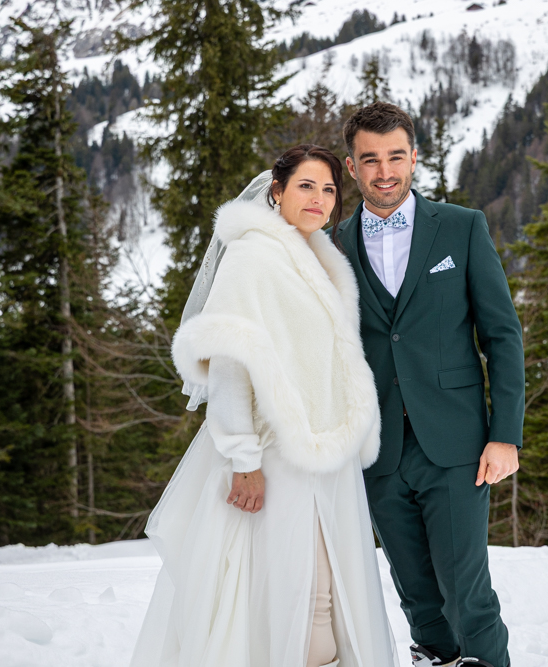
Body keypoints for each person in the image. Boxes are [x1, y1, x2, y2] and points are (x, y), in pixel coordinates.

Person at [129, 145, 397, 667]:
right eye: (305, 186)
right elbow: (231, 363)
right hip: (276, 453)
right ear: (277, 190)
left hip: (328, 457)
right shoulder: (252, 256)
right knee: (298, 601)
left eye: (328, 189)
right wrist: (243, 458)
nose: (319, 199)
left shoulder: (319, 257)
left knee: (328, 597)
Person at [335, 103, 525, 667]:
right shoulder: (333, 245)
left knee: (467, 595)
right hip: (378, 450)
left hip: (457, 446)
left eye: (396, 156)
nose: (385, 171)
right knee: (418, 599)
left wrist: (505, 434)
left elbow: (501, 336)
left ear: (414, 158)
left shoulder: (462, 227)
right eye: (371, 159)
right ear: (351, 167)